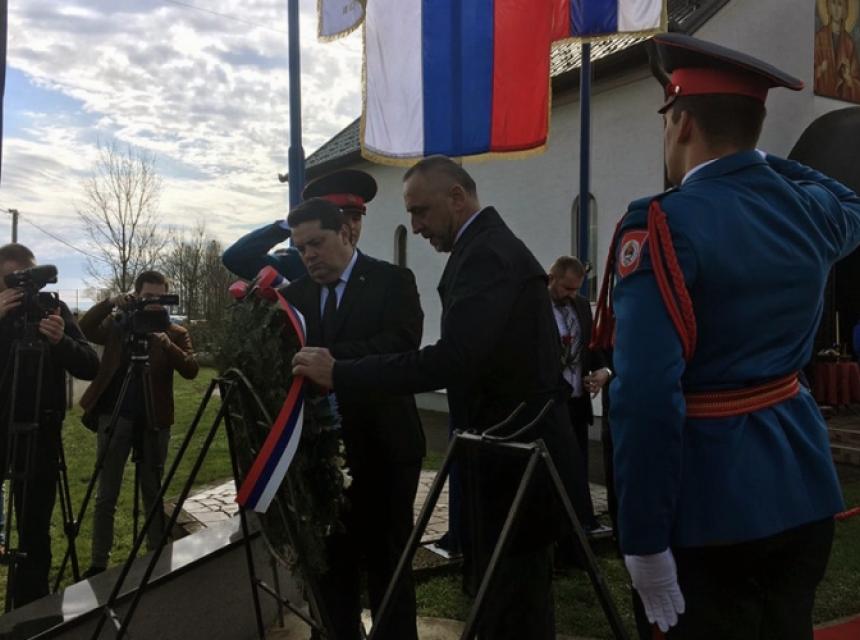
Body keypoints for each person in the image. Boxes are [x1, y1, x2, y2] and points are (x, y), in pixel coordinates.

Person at [590, 33, 860, 638]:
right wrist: (755, 156)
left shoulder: (661, 223)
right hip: (802, 489)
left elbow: (646, 397)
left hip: (708, 511)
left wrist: (644, 539)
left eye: (667, 118)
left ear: (682, 122)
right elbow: (851, 199)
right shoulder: (810, 212)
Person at [293, 156, 586, 640]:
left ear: (457, 197)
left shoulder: (487, 254)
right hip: (505, 452)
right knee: (503, 601)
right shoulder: (482, 248)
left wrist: (340, 371)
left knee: (516, 607)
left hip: (517, 457)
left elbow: (453, 359)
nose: (415, 226)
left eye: (420, 211)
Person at [282, 198, 425, 640]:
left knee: (388, 565)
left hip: (385, 449)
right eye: (301, 247)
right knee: (331, 567)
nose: (309, 255)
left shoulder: (392, 281)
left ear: (345, 232)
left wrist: (334, 363)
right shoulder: (294, 297)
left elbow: (402, 345)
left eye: (317, 242)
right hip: (321, 458)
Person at [79, 271, 199, 577]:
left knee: (152, 490)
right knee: (107, 492)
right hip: (115, 414)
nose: (154, 304)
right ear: (136, 295)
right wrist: (110, 302)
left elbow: (191, 369)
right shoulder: (119, 325)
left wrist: (167, 344)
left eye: (160, 298)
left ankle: (156, 554)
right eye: (148, 297)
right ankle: (99, 563)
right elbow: (85, 328)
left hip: (154, 419)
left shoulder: (175, 332)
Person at [0, 243, 99, 607]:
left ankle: (31, 611)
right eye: (12, 280)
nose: (22, 289)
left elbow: (90, 365)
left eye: (29, 280)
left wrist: (61, 341)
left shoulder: (52, 309)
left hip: (40, 434)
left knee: (35, 531)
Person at [547, 256, 612, 536]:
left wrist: (603, 372)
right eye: (567, 288)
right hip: (551, 405)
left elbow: (592, 348)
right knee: (554, 469)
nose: (572, 295)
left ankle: (584, 521)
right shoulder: (535, 308)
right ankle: (556, 529)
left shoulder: (582, 306)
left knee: (578, 465)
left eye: (576, 289)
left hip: (578, 403)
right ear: (552, 278)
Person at [221, 169, 377, 281]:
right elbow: (235, 258)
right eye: (341, 218)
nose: (351, 226)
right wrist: (290, 225)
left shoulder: (376, 275)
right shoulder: (297, 263)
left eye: (356, 218)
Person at [814, 0, 860, 102]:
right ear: (828, 7)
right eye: (833, 3)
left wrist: (849, 79)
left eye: (840, 4)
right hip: (822, 100)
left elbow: (857, 81)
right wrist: (820, 70)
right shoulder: (819, 38)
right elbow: (807, 74)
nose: (836, 9)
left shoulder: (849, 44)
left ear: (845, 11)